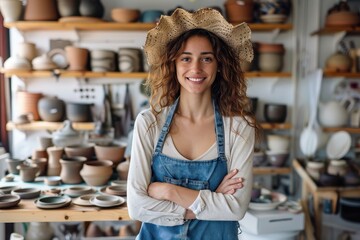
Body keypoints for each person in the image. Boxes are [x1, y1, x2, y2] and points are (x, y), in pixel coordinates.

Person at [127, 7, 260, 240]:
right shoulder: (149, 123)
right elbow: (137, 207)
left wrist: (167, 191)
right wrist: (211, 199)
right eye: (186, 58)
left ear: (219, 65)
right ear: (174, 64)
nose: (196, 69)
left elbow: (236, 208)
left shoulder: (239, 129)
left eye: (206, 58)